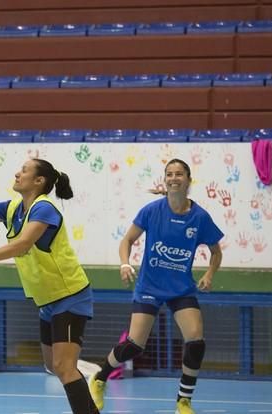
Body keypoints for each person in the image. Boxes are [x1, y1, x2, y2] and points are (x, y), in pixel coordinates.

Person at [89, 158, 224, 414]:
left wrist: (209, 274)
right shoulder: (151, 211)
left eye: (179, 174)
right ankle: (99, 377)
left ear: (188, 180)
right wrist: (124, 264)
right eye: (169, 174)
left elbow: (216, 252)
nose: (174, 178)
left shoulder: (200, 217)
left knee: (196, 340)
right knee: (134, 345)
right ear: (165, 179)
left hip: (181, 288)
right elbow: (127, 240)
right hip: (149, 286)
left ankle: (183, 402)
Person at [0, 158, 99, 414]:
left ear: (39, 181)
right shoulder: (14, 208)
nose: (17, 173)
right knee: (53, 365)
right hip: (46, 300)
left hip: (70, 295)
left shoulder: (44, 208)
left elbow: (22, 244)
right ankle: (86, 373)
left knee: (64, 367)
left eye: (24, 170)